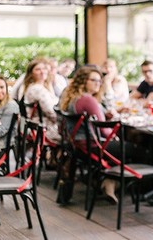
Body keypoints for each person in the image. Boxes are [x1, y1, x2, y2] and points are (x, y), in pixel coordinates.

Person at [59, 66, 129, 204]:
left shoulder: (72, 97)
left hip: (77, 147)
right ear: (83, 81)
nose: (98, 83)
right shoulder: (88, 100)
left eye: (99, 80)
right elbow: (104, 130)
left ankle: (109, 181)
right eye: (94, 80)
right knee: (135, 148)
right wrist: (116, 135)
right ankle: (115, 181)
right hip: (92, 146)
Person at [22, 58, 61, 143]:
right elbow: (51, 112)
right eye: (38, 69)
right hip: (44, 129)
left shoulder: (37, 87)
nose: (42, 71)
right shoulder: (37, 90)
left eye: (44, 69)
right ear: (31, 73)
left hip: (38, 127)